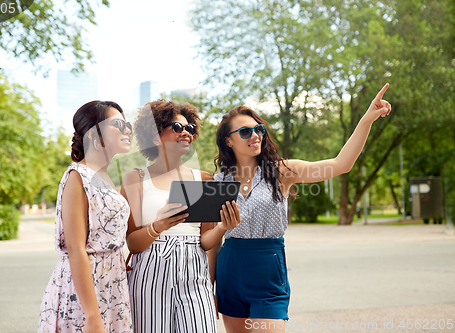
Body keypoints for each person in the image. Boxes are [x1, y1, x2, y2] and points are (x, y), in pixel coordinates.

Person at [214, 84, 392, 333]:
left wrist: (367, 119)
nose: (255, 135)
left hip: (267, 268)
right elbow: (212, 239)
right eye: (245, 131)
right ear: (228, 140)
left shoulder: (282, 170)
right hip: (230, 269)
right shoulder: (219, 181)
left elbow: (341, 164)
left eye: (259, 129)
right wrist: (208, 285)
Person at [121, 99, 240, 333]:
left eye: (190, 128)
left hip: (195, 273)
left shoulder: (205, 179)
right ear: (155, 135)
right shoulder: (135, 179)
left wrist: (222, 228)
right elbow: (133, 243)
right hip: (150, 272)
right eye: (177, 127)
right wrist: (158, 226)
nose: (186, 133)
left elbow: (205, 240)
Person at [38, 101, 133, 333]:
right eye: (118, 124)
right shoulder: (77, 175)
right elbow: (76, 248)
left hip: (112, 287)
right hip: (83, 295)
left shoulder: (105, 177)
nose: (127, 130)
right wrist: (91, 315)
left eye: (127, 124)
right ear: (93, 134)